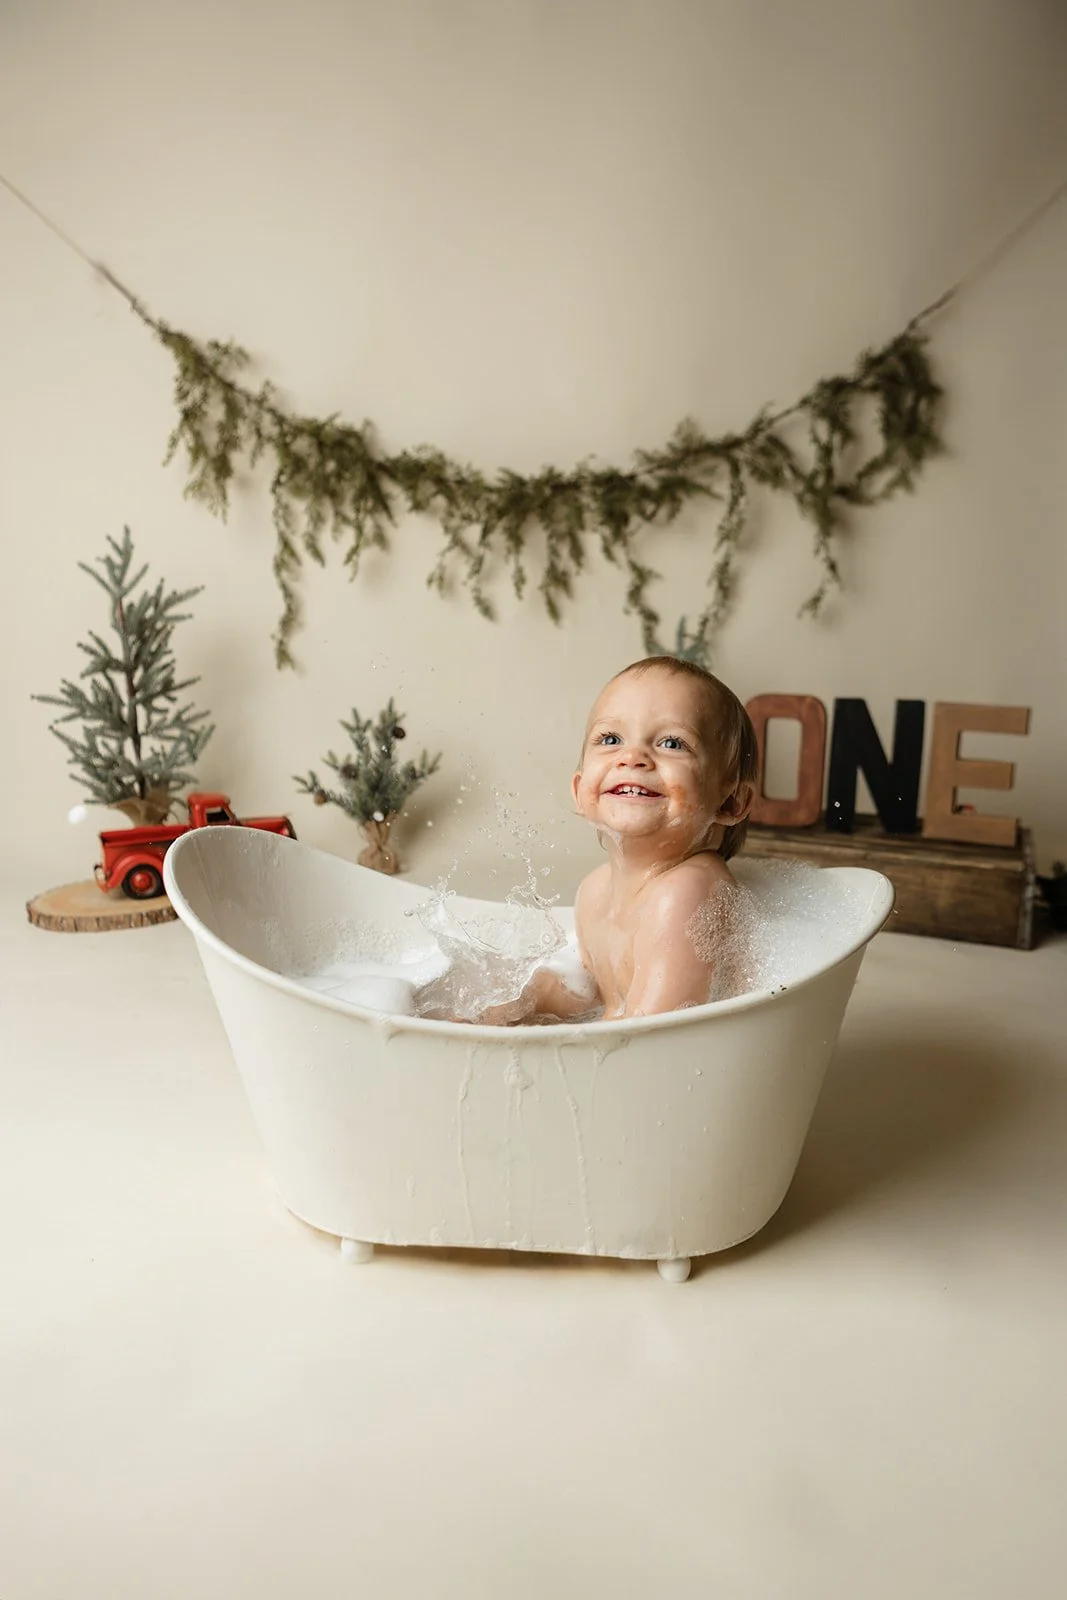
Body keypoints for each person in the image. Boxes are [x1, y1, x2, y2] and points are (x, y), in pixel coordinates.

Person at [483, 655, 758, 1023]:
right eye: (611, 739)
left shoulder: (688, 892)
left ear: (730, 801)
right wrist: (523, 1001)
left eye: (673, 743)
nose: (633, 757)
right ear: (580, 790)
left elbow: (652, 1039)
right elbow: (597, 998)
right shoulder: (594, 892)